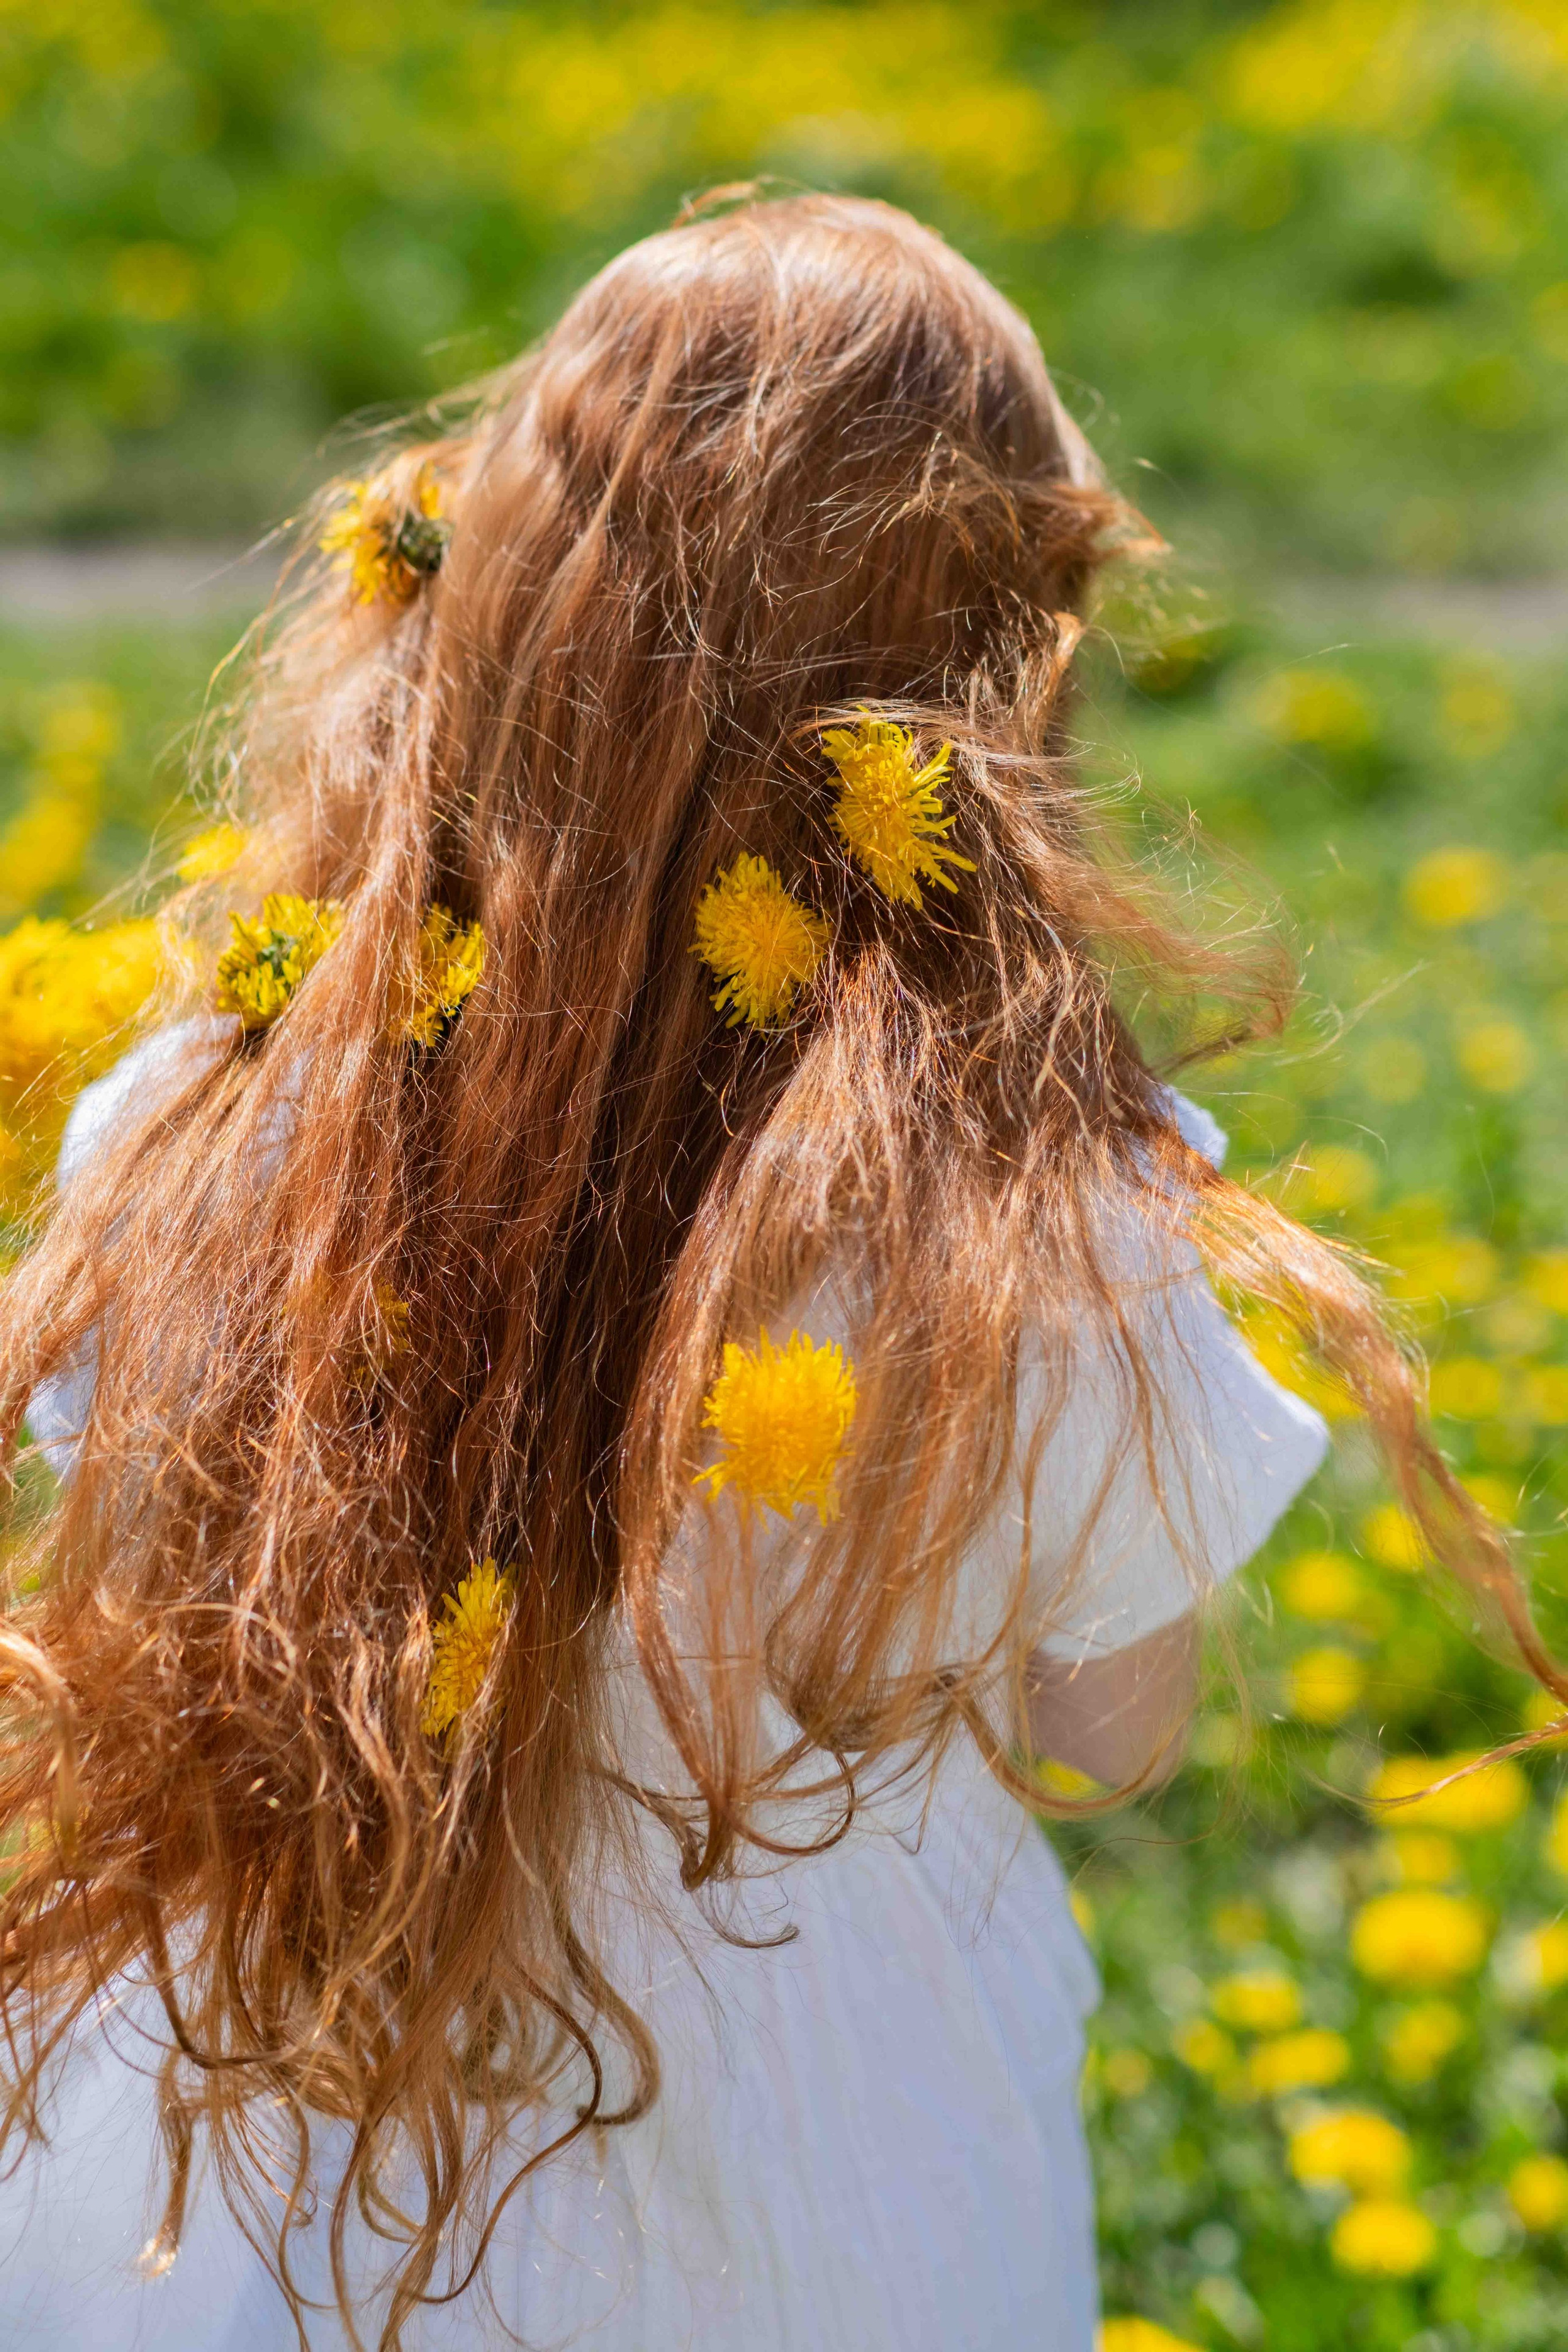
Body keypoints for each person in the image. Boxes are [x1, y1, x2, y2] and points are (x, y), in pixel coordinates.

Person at [0, 190, 1550, 2352]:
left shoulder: (200, 1121)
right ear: (984, 703)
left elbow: (152, 1568)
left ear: (499, 611)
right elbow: (1115, 1731)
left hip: (282, 2146)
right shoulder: (1031, 1241)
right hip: (825, 2175)